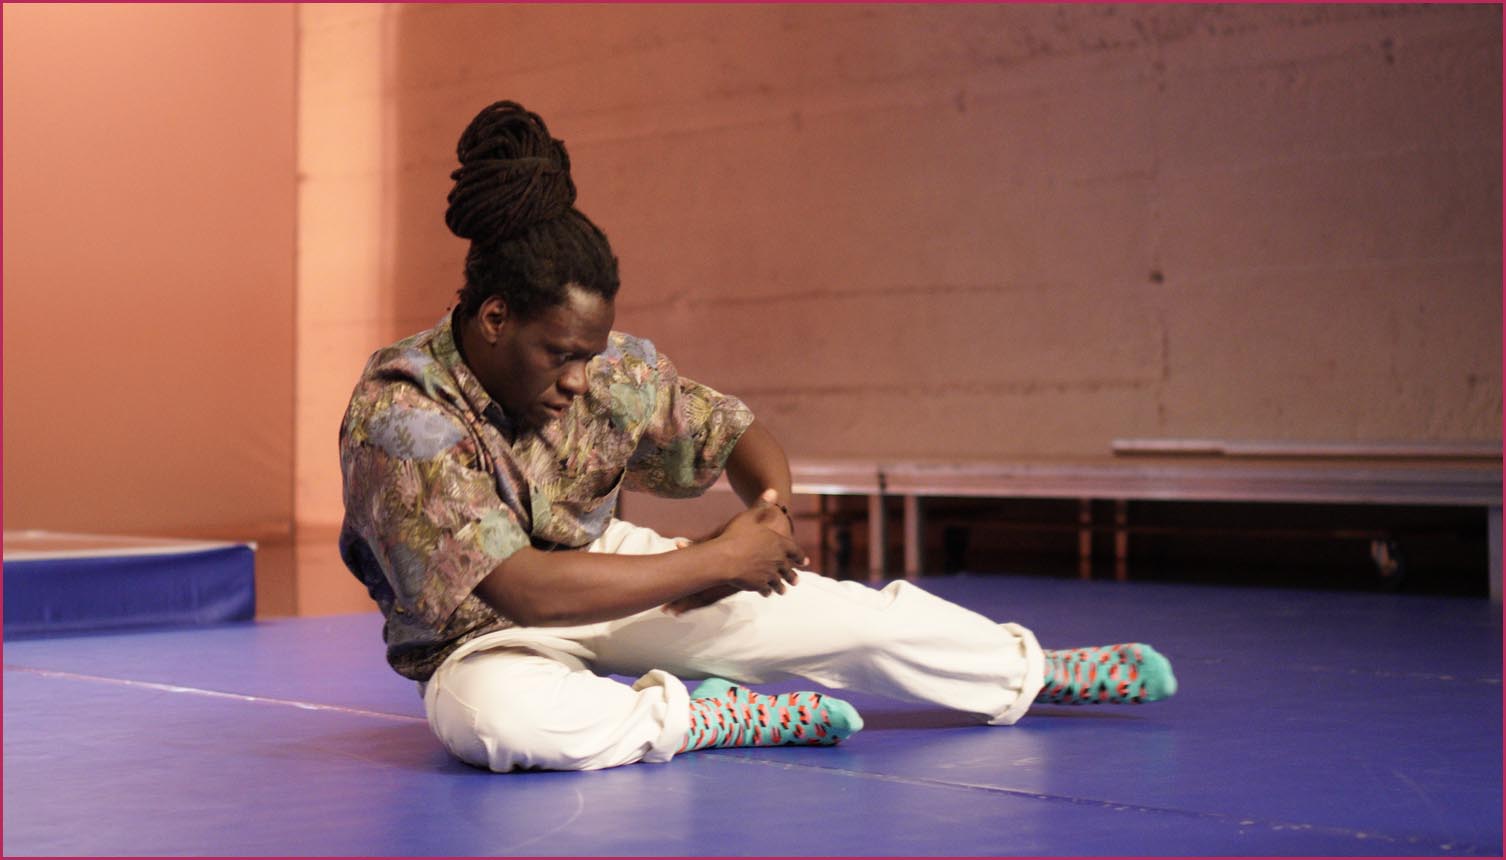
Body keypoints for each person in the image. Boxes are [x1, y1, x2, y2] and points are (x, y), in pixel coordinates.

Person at [338, 101, 1177, 773]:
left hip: (609, 569)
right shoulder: (402, 413)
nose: (582, 379)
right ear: (494, 319)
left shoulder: (602, 366)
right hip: (481, 635)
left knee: (842, 616)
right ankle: (708, 716)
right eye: (562, 356)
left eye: (591, 355)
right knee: (504, 726)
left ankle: (1029, 669)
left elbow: (738, 434)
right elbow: (523, 592)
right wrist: (712, 562)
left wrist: (768, 516)